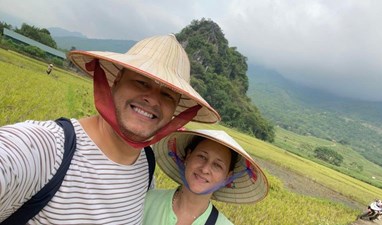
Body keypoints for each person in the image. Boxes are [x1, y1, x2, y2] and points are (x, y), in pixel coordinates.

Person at [0, 34, 220, 224]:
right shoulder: (45, 146)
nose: (152, 100)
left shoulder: (145, 166)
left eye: (167, 94)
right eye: (141, 82)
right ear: (116, 81)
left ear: (175, 110)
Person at [143, 129, 269, 225]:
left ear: (227, 177)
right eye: (202, 157)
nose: (205, 169)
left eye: (217, 165)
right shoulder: (145, 200)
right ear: (188, 157)